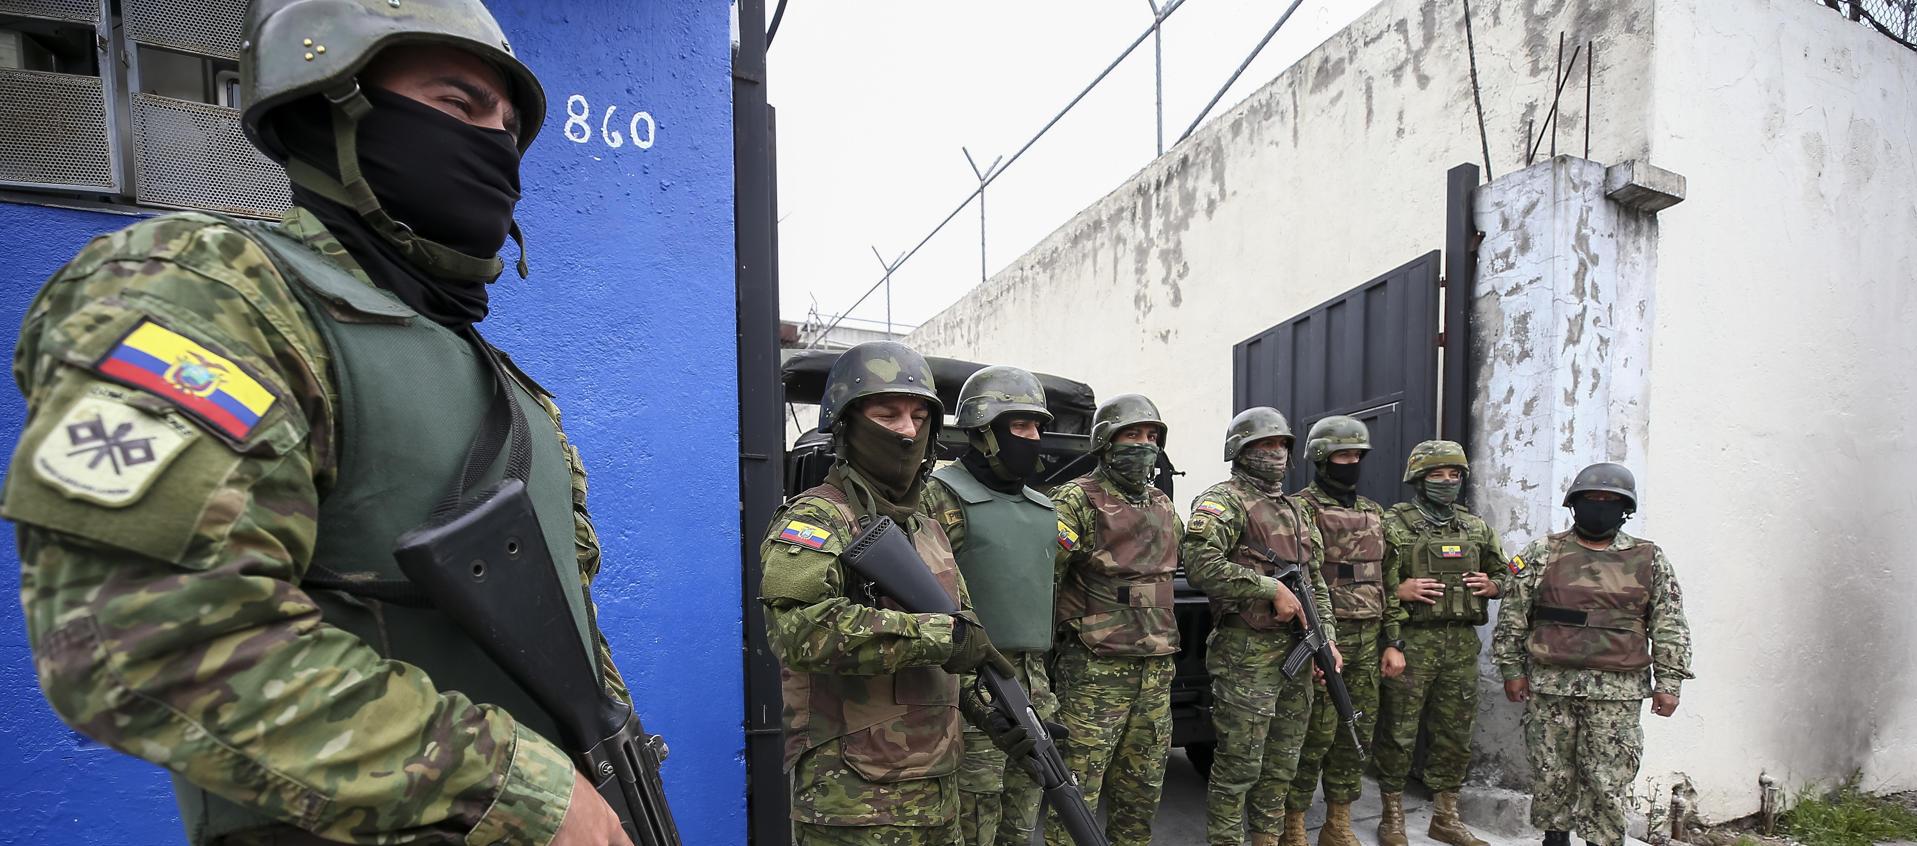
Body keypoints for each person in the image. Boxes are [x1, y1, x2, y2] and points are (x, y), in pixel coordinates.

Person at [4, 2, 641, 843]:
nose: (494, 142)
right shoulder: (215, 290)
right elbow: (142, 638)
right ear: (331, 107)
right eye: (457, 106)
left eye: (507, 123)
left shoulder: (489, 375)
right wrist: (517, 786)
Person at [761, 341, 1024, 846]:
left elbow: (958, 644)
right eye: (888, 414)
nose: (907, 429)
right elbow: (799, 631)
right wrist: (942, 637)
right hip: (854, 802)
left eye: (919, 415)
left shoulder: (928, 528)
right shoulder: (814, 519)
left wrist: (992, 713)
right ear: (846, 423)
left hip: (938, 791)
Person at [1492, 463, 1694, 846]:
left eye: (1610, 501)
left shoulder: (1649, 558)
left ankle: (1601, 842)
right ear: (1574, 504)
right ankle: (1555, 838)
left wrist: (1670, 682)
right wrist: (1511, 669)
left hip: (1617, 693)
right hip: (1552, 687)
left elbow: (1668, 624)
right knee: (1551, 772)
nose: (1599, 507)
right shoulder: (1542, 553)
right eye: (1591, 499)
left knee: (1608, 777)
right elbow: (1513, 616)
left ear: (1625, 508)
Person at [1182, 407, 1341, 846]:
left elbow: (1315, 583)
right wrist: (1268, 588)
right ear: (1239, 450)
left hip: (1298, 652)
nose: (1273, 453)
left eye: (1280, 445)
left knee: (1281, 765)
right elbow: (1199, 564)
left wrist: (1326, 640)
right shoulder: (1222, 502)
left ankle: (1267, 839)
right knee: (1239, 766)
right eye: (1262, 445)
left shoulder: (1297, 510)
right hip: (1244, 653)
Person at [920, 365, 1062, 846]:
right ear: (984, 432)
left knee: (1020, 824)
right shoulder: (939, 496)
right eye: (1020, 426)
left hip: (1033, 685)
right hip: (971, 687)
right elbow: (924, 601)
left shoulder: (1042, 508)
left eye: (1038, 426)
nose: (1034, 436)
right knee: (971, 823)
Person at [1045, 394, 1182, 846]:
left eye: (1151, 436)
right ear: (1106, 441)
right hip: (1094, 672)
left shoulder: (1162, 503)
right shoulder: (1076, 500)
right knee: (1077, 794)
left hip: (1156, 669)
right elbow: (1046, 579)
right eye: (1132, 435)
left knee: (1141, 794)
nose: (1144, 445)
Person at [1374, 440, 1509, 846]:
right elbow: (1367, 585)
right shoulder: (1391, 525)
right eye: (1438, 475)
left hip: (1461, 644)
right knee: (1399, 731)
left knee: (1455, 732)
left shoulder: (1474, 528)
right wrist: (1399, 592)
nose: (1447, 482)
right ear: (1418, 478)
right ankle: (1392, 816)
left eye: (1454, 475)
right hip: (1411, 643)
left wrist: (1494, 584)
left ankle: (1445, 816)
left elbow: (1504, 572)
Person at [1284, 415, 1390, 846]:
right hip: (1324, 638)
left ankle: (1338, 822)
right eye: (1343, 455)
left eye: (1357, 456)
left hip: (1368, 638)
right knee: (1313, 735)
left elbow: (1389, 573)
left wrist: (1392, 639)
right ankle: (1293, 822)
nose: (1351, 463)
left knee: (1355, 731)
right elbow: (1299, 579)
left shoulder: (1373, 511)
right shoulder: (1298, 509)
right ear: (1321, 458)